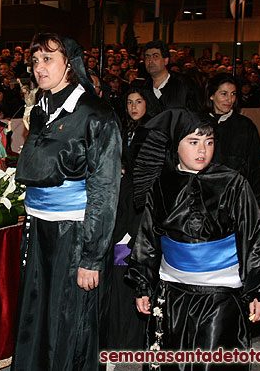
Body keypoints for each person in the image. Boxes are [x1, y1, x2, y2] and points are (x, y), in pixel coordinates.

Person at [128, 109, 260, 370]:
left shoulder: (232, 183)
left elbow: (253, 237)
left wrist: (259, 289)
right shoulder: (162, 184)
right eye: (193, 142)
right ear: (176, 145)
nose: (203, 150)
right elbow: (148, 239)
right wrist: (143, 285)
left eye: (209, 142)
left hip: (219, 292)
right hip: (172, 291)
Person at [12, 33, 122, 371]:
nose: (39, 68)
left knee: (68, 321)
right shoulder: (42, 108)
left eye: (48, 59)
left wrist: (91, 256)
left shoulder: (95, 113)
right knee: (37, 315)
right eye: (35, 61)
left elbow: (105, 189)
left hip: (73, 235)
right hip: (39, 231)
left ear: (70, 66)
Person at [100, 85, 152, 362]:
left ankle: (132, 337)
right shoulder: (124, 129)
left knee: (130, 265)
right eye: (129, 102)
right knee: (119, 272)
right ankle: (119, 335)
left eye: (139, 101)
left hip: (139, 205)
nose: (133, 107)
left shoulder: (153, 132)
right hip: (123, 196)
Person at [205, 74, 260, 209]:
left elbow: (256, 164)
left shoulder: (245, 126)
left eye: (233, 94)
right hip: (205, 198)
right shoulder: (198, 123)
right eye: (224, 94)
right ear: (212, 95)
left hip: (235, 198)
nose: (229, 99)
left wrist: (259, 201)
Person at [142, 40, 203, 117]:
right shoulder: (143, 88)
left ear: (166, 60)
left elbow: (197, 113)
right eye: (147, 57)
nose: (150, 61)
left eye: (155, 56)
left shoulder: (184, 84)